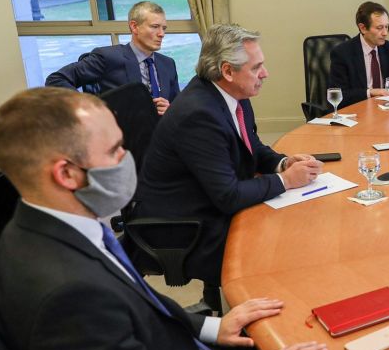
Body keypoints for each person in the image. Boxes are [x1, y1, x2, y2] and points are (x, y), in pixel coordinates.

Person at [0, 87, 329, 350]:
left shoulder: (51, 226)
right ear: (67, 173)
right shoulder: (69, 295)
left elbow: (139, 301)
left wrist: (213, 326)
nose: (128, 158)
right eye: (115, 150)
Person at [133, 24, 324, 285]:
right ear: (227, 71)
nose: (265, 74)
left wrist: (283, 163)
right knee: (284, 248)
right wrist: (287, 181)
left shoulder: (233, 92)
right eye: (256, 67)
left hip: (210, 201)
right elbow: (228, 196)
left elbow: (251, 146)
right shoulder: (198, 114)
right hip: (185, 225)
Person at [45, 1, 180, 115]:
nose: (162, 34)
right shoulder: (108, 57)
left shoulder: (167, 64)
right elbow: (56, 79)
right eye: (155, 27)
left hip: (161, 136)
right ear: (134, 27)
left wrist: (170, 110)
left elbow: (178, 106)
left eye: (164, 28)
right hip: (123, 137)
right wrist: (88, 108)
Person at [327, 1, 389, 109]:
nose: (385, 33)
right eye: (379, 28)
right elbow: (338, 95)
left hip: (386, 110)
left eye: (386, 27)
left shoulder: (388, 48)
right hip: (359, 111)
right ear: (363, 28)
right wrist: (370, 92)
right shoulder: (343, 53)